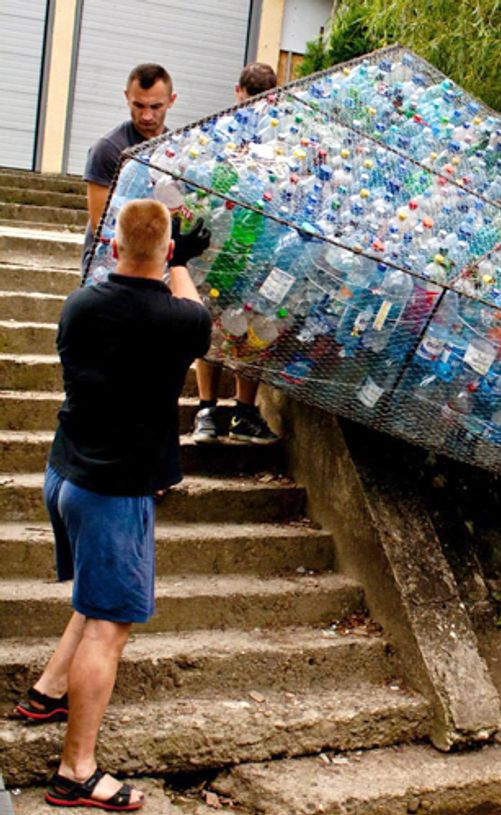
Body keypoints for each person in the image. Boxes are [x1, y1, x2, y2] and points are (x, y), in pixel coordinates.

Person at [14, 200, 211, 810]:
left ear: (113, 247)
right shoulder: (178, 321)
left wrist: (160, 249)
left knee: (95, 596)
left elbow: (142, 276)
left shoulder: (79, 304)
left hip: (66, 471)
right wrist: (179, 255)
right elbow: (192, 304)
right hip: (113, 490)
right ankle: (77, 770)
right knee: (110, 625)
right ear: (169, 252)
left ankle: (49, 690)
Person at [192, 62, 280, 446]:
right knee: (252, 327)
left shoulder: (218, 131)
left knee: (212, 326)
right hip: (252, 245)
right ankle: (241, 413)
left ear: (237, 90)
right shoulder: (277, 135)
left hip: (220, 244)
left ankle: (208, 411)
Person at [82, 64, 176, 274]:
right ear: (126, 97)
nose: (146, 116)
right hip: (107, 264)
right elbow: (101, 224)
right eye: (139, 105)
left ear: (172, 100)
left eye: (156, 107)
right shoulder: (108, 149)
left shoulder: (175, 149)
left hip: (155, 265)